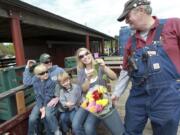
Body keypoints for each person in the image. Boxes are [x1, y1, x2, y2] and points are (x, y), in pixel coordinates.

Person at [112, 0, 180, 135]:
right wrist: (117, 93)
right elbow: (126, 69)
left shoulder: (173, 25)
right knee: (130, 131)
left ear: (141, 11)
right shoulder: (130, 42)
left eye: (128, 16)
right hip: (138, 95)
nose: (126, 21)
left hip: (166, 96)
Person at [72, 47, 124, 135]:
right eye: (81, 56)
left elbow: (114, 77)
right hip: (87, 101)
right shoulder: (81, 71)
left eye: (86, 53)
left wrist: (104, 66)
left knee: (88, 127)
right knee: (75, 125)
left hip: (99, 101)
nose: (85, 57)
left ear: (90, 54)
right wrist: (88, 79)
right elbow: (83, 89)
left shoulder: (98, 66)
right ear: (80, 59)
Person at [23, 53, 64, 134]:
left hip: (52, 99)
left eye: (50, 61)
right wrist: (27, 67)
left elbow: (67, 84)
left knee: (47, 115)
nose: (49, 63)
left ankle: (55, 131)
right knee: (32, 118)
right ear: (41, 63)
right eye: (46, 62)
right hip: (40, 101)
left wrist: (58, 97)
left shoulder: (59, 71)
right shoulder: (38, 74)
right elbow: (27, 82)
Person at [55, 71, 82, 135]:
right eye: (63, 83)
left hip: (75, 108)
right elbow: (62, 100)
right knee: (62, 118)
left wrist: (76, 103)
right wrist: (66, 104)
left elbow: (79, 97)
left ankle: (74, 131)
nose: (66, 83)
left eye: (67, 81)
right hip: (66, 110)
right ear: (60, 84)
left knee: (73, 118)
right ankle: (66, 131)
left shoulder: (76, 87)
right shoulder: (62, 91)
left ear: (69, 79)